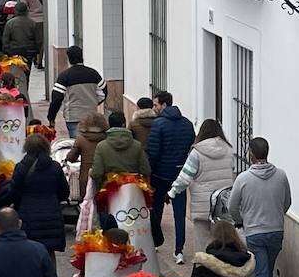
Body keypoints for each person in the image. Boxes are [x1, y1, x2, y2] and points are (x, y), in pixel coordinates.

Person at [228, 137, 291, 277]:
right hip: (276, 231)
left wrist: (242, 221)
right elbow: (287, 202)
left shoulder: (243, 179)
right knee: (267, 272)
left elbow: (232, 206)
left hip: (254, 231)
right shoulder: (281, 176)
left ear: (251, 155)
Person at [165, 120, 233, 258]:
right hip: (223, 204)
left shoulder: (197, 153)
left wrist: (172, 192)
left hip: (203, 205)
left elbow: (185, 178)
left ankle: (203, 272)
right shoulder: (229, 150)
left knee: (202, 245)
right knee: (221, 244)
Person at [0, 133, 69, 252]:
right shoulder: (55, 167)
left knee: (28, 252)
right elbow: (64, 192)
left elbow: (14, 193)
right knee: (49, 253)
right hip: (51, 216)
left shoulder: (21, 167)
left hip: (28, 216)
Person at [146, 92, 195, 260]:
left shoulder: (158, 124)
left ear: (164, 105)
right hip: (180, 175)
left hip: (160, 175)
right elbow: (190, 148)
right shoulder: (188, 124)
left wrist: (150, 172)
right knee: (179, 213)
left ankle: (154, 243)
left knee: (156, 209)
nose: (154, 108)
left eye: (156, 105)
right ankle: (179, 250)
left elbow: (153, 152)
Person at [48, 46, 103, 137]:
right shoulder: (93, 74)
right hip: (92, 115)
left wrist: (51, 117)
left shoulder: (64, 76)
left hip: (73, 117)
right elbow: (103, 93)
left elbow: (56, 99)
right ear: (82, 57)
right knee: (91, 142)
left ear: (69, 59)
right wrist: (93, 102)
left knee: (76, 145)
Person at [90, 110, 151, 188]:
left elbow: (97, 173)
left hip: (109, 189)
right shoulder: (137, 145)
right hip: (132, 188)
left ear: (109, 125)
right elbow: (146, 170)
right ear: (124, 124)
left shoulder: (101, 146)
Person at [0, 1, 40, 68]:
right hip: (29, 51)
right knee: (27, 70)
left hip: (14, 51)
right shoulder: (32, 23)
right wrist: (36, 51)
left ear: (15, 11)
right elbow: (38, 39)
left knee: (15, 71)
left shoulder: (10, 23)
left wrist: (7, 51)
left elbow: (5, 40)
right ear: (26, 11)